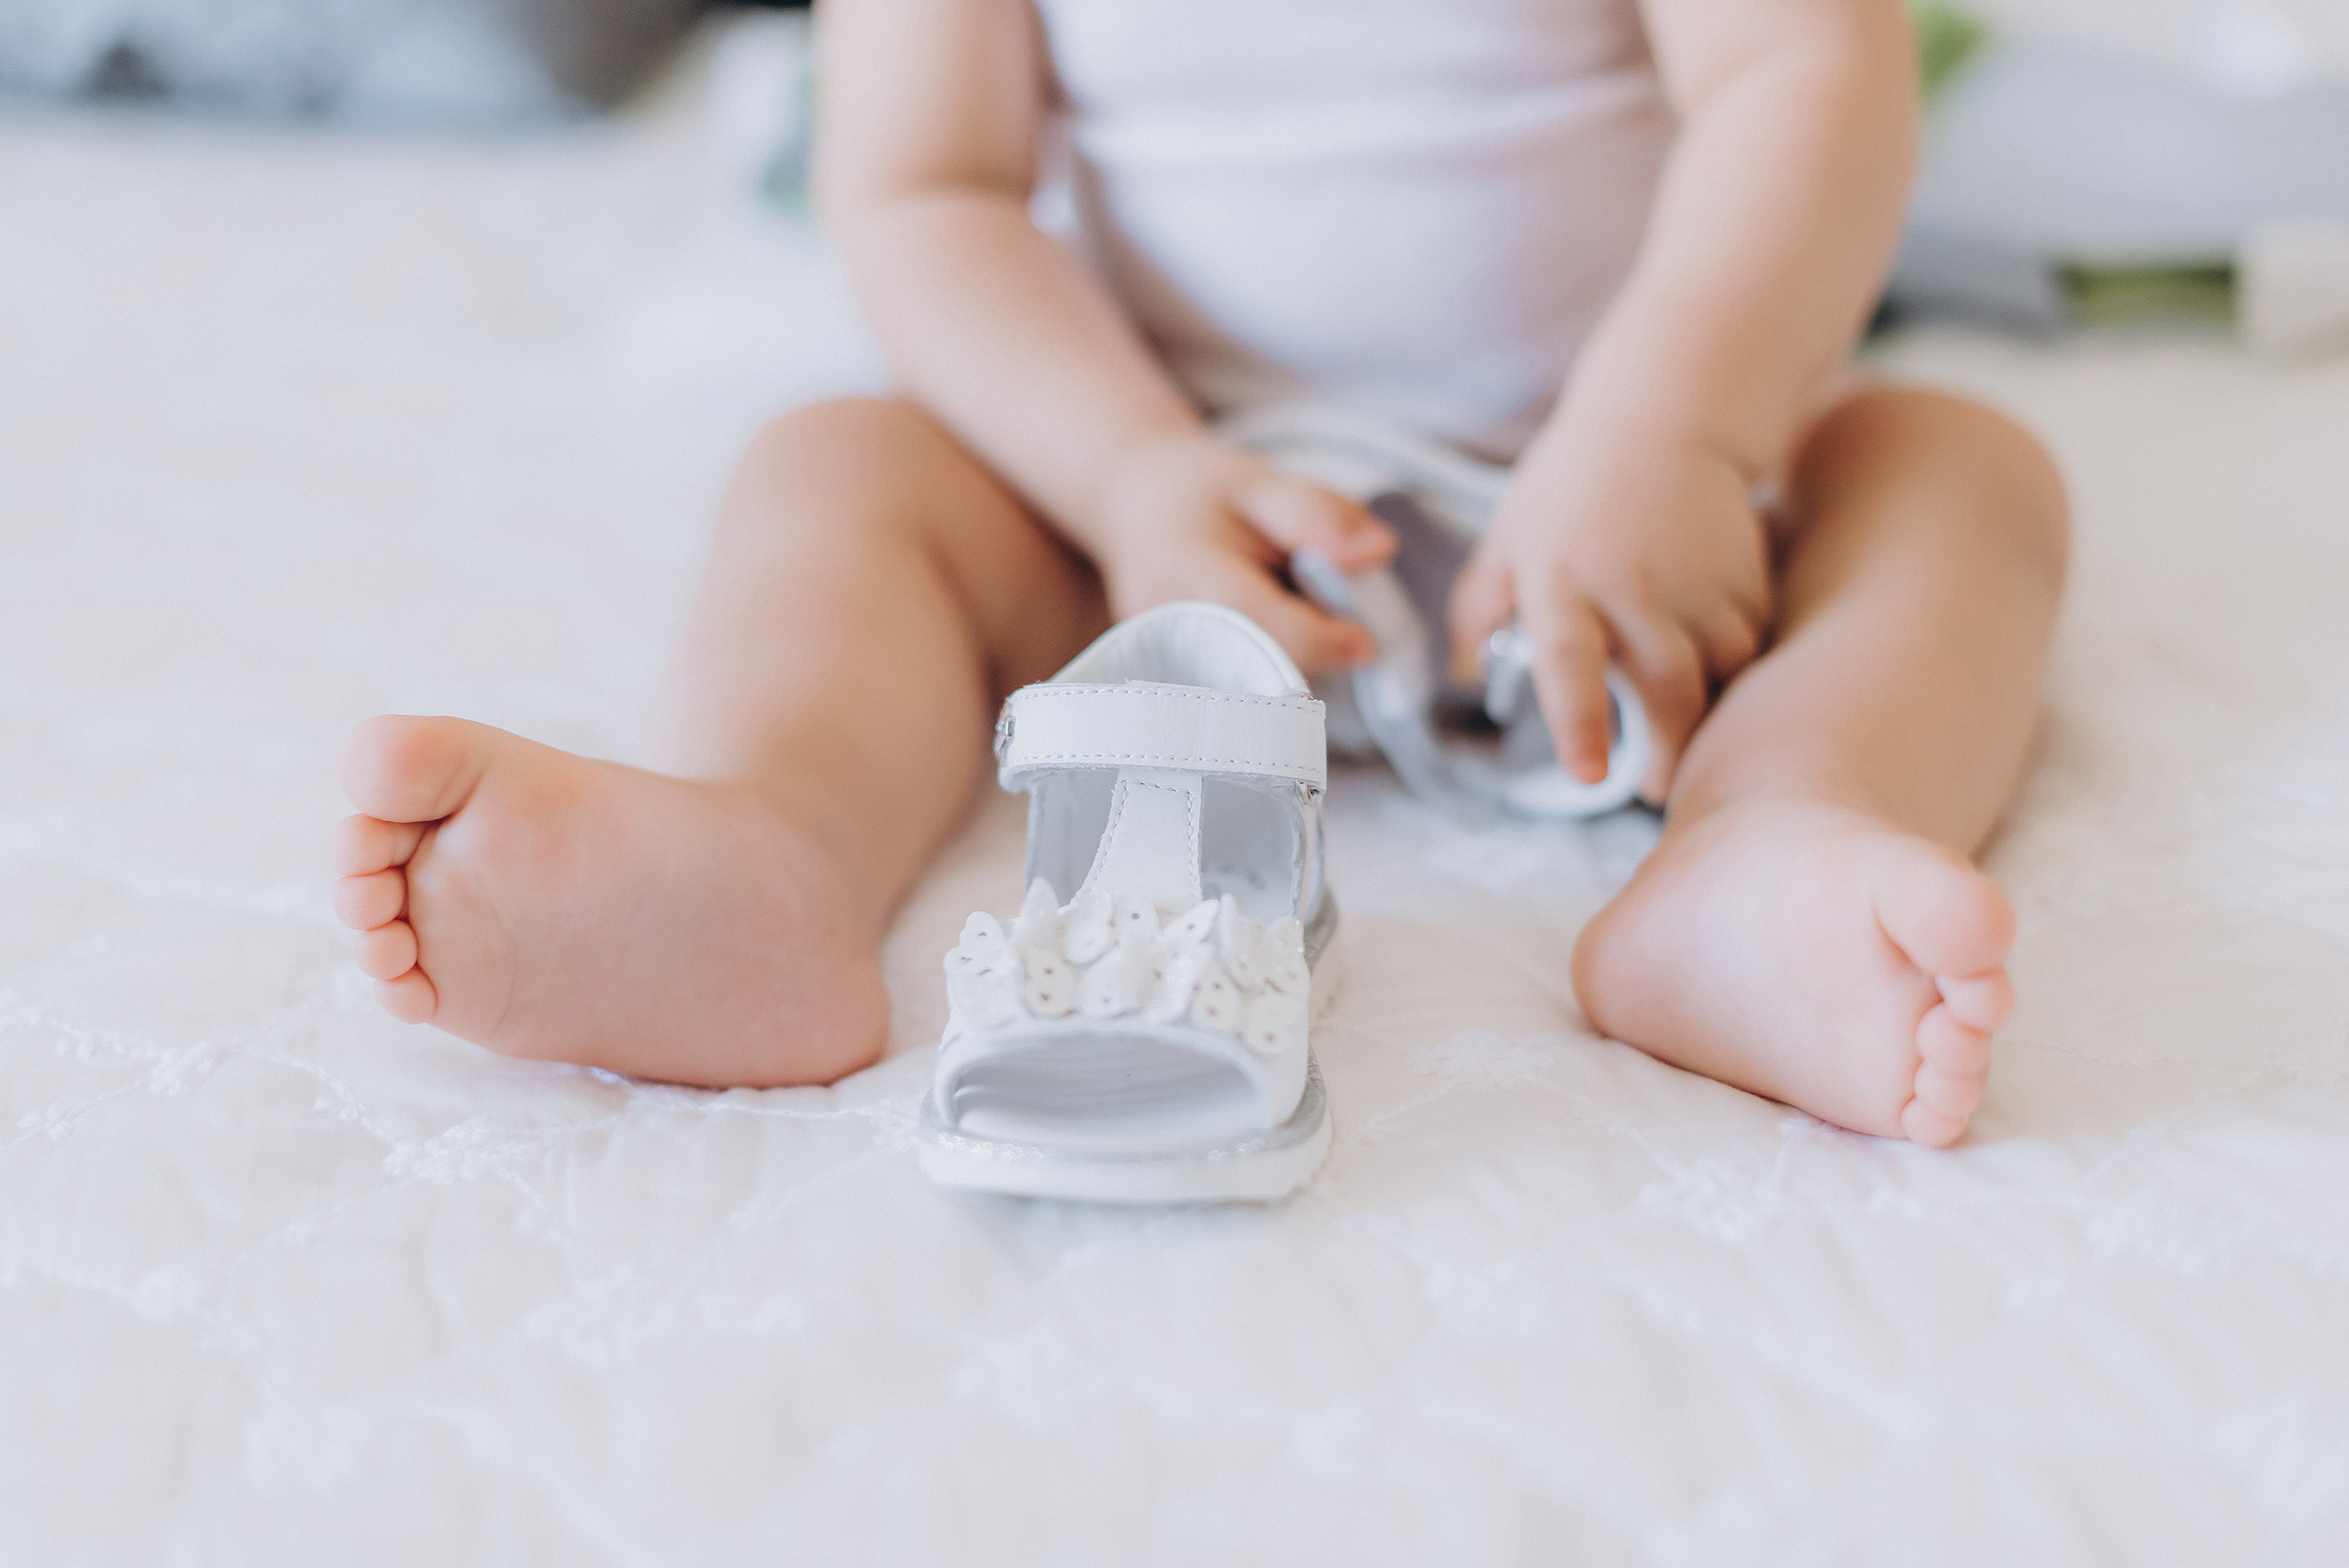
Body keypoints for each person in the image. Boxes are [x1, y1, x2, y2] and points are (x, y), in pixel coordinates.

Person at [328, 0, 2066, 1146]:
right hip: (1146, 519)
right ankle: (770, 845)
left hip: (1643, 539)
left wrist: (1675, 436)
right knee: (838, 466)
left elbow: (1811, 83)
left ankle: (1762, 842)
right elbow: (927, 194)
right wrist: (1129, 471)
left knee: (1954, 474)